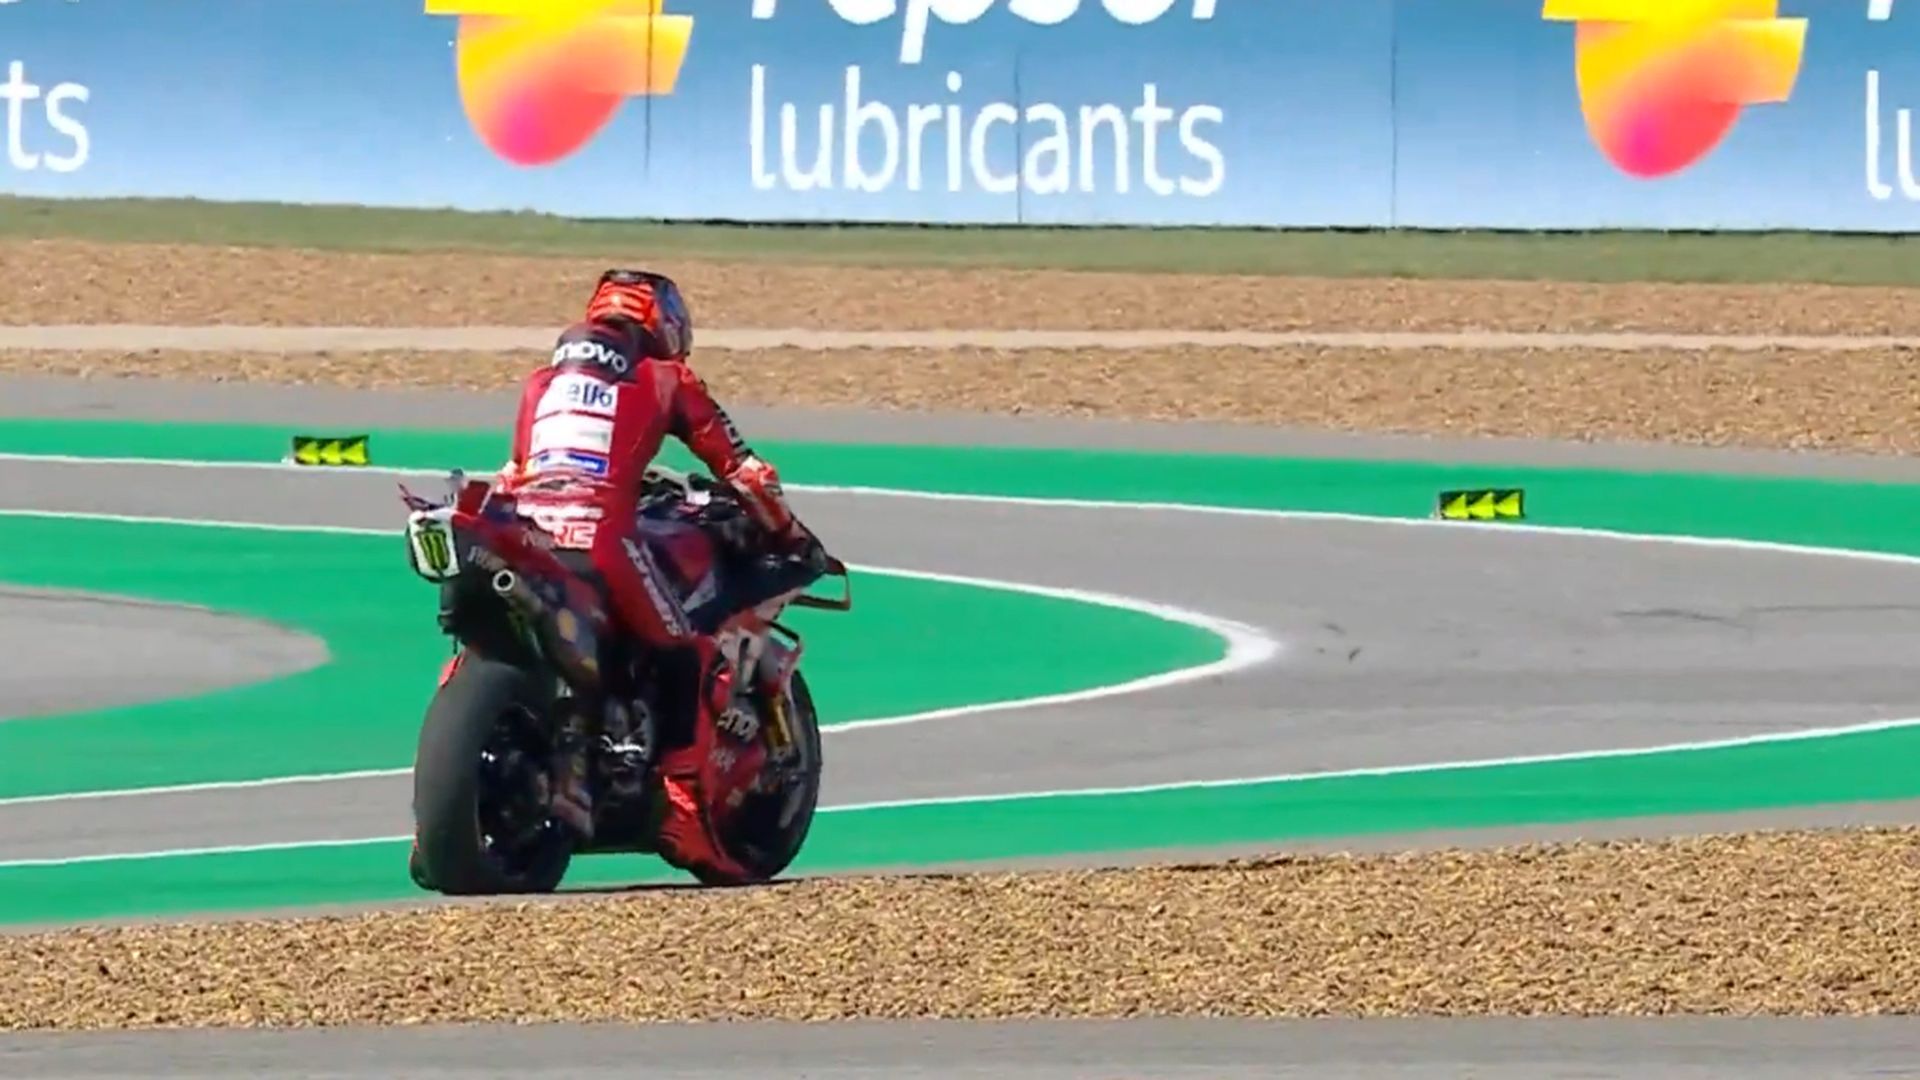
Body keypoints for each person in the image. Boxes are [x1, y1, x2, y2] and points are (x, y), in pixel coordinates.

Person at [494, 268, 825, 884]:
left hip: (524, 540)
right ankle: (681, 807)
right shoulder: (666, 378)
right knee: (685, 648)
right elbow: (748, 474)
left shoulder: (542, 384)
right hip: (602, 543)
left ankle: (441, 822)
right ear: (665, 325)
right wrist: (789, 534)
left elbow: (513, 475)